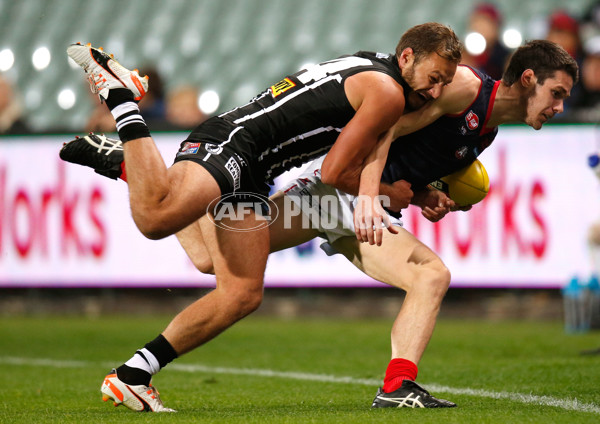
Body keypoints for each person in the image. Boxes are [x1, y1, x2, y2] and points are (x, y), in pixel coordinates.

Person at [61, 39, 577, 409]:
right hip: (337, 193)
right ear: (528, 78)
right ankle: (398, 386)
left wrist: (424, 195)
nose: (559, 106)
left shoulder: (482, 127)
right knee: (430, 276)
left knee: (216, 270)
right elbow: (386, 124)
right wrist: (374, 195)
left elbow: (395, 140)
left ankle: (132, 169)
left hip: (328, 197)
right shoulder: (464, 87)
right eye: (556, 93)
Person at [460, 3, 510, 80]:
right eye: (476, 22)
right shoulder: (462, 51)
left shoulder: (504, 58)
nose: (479, 28)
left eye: (484, 23)